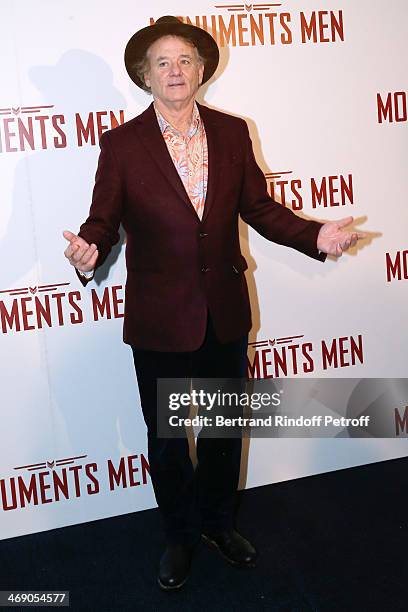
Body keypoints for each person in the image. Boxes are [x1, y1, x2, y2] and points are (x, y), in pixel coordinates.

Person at [63, 16, 363, 591]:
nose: (175, 71)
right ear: (145, 76)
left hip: (223, 308)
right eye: (162, 63)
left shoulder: (230, 132)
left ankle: (219, 525)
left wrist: (314, 234)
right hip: (160, 316)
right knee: (171, 437)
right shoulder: (123, 144)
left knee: (224, 430)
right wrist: (89, 250)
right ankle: (178, 535)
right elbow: (102, 220)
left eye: (185, 60)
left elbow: (260, 207)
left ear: (202, 69)